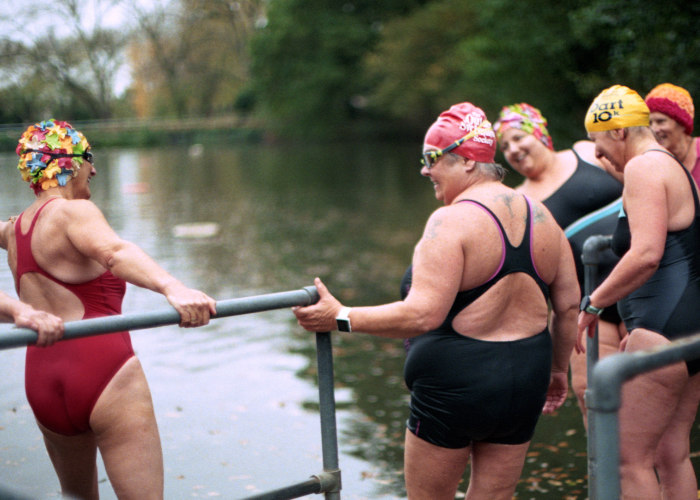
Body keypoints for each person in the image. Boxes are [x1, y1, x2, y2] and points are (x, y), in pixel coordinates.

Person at [293, 103, 580, 500]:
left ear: (466, 160)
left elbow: (422, 314)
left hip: (457, 390)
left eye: (432, 158)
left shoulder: (450, 221)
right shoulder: (544, 217)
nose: (425, 169)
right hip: (525, 381)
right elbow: (568, 307)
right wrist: (559, 371)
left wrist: (339, 317)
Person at [0, 119, 217, 500]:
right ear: (66, 163)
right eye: (89, 158)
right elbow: (115, 253)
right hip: (103, 371)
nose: (94, 169)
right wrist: (174, 287)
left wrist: (16, 310)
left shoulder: (13, 230)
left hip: (42, 379)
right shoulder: (74, 212)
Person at [578, 85, 700, 499]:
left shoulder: (643, 169)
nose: (598, 156)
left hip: (661, 328)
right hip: (688, 329)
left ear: (618, 132)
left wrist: (594, 302)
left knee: (627, 460)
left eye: (599, 143)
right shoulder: (670, 165)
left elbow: (646, 254)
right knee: (671, 455)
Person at [494, 103, 625, 426]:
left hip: (644, 282)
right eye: (504, 147)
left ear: (538, 130)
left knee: (651, 398)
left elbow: (641, 187)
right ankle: (611, 474)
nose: (512, 150)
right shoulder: (517, 201)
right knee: (593, 400)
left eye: (516, 138)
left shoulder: (586, 151)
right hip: (589, 306)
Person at [645, 83, 699, 182]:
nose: (654, 129)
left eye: (660, 121)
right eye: (650, 123)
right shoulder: (653, 160)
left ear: (682, 123)